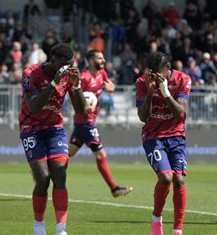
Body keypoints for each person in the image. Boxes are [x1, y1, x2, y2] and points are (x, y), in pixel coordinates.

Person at [19, 43, 86, 235]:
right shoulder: (31, 73)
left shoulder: (68, 76)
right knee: (42, 177)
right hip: (31, 128)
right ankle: (39, 226)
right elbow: (33, 106)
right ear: (53, 59)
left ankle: (61, 228)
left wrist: (77, 85)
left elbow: (81, 109)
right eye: (65, 63)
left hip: (54, 128)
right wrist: (55, 83)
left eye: (71, 63)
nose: (68, 67)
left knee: (60, 172)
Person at [136, 52, 191, 235]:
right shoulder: (142, 82)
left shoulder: (183, 79)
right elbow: (143, 116)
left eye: (159, 72)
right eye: (152, 72)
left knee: (179, 180)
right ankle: (156, 218)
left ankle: (177, 230)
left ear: (168, 68)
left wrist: (166, 92)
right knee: (166, 177)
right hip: (153, 136)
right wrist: (151, 92)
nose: (155, 76)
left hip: (177, 136)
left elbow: (181, 113)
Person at [68, 49, 133, 197]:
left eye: (103, 58)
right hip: (86, 122)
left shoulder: (102, 73)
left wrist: (111, 88)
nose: (103, 61)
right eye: (100, 59)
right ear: (91, 61)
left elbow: (109, 85)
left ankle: (46, 174)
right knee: (100, 154)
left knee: (67, 155)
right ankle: (114, 188)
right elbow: (73, 100)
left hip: (83, 123)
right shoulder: (83, 78)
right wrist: (84, 106)